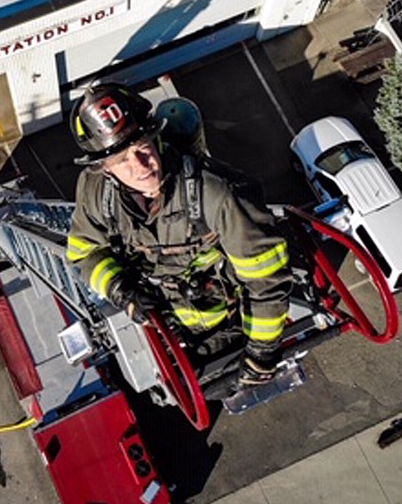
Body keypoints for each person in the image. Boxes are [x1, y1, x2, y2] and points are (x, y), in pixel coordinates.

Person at [65, 82, 292, 386]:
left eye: (142, 148)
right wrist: (122, 291)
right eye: (122, 161)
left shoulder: (216, 194)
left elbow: (266, 279)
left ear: (156, 139)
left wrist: (262, 351)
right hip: (168, 321)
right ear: (105, 169)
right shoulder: (95, 193)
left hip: (231, 318)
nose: (140, 167)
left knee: (214, 389)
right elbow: (84, 253)